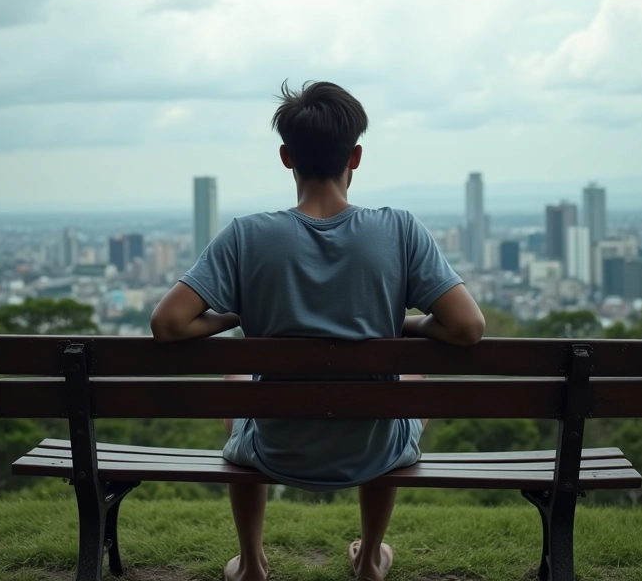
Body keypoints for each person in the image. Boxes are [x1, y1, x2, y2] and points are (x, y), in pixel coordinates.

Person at [151, 80, 485, 581]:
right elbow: (467, 327)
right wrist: (400, 324)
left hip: (275, 447)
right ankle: (370, 560)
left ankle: (252, 563)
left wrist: (235, 316)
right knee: (408, 385)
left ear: (286, 157)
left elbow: (168, 323)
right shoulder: (399, 229)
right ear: (356, 157)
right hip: (374, 447)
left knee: (235, 383)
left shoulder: (246, 235)